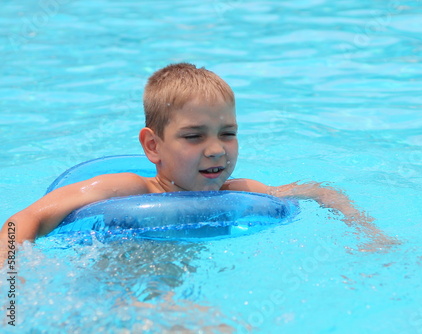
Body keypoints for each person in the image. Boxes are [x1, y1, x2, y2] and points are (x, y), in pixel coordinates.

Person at [0, 63, 398, 254]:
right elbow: (22, 221)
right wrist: (15, 282)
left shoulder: (240, 190)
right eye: (194, 137)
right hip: (114, 292)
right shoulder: (123, 187)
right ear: (152, 146)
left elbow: (317, 191)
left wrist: (368, 232)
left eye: (228, 133)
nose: (216, 149)